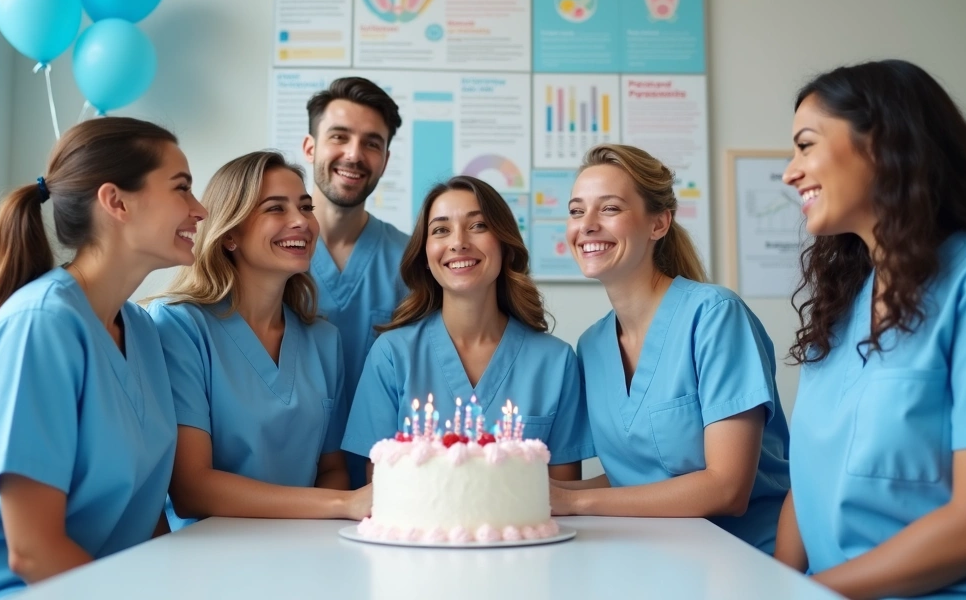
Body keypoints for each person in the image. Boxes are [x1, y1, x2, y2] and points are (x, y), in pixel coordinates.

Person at [775, 59, 966, 599]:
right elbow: (807, 486)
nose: (790, 172)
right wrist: (769, 584)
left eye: (806, 145)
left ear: (882, 142)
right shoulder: (845, 305)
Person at [0, 117, 207, 599]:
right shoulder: (39, 326)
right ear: (116, 202)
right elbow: (33, 552)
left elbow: (142, 519)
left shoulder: (141, 331)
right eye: (182, 188)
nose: (200, 209)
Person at [551, 143, 791, 555]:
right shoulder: (592, 346)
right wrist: (530, 491)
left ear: (659, 223)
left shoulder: (715, 316)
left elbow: (727, 487)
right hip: (656, 555)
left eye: (608, 209)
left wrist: (573, 501)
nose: (587, 225)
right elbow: (641, 474)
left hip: (748, 560)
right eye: (576, 211)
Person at [147, 151, 370, 527]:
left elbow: (331, 468)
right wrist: (341, 505)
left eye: (305, 206)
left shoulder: (323, 340)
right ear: (230, 233)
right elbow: (190, 489)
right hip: (208, 561)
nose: (301, 221)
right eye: (275, 209)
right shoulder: (180, 325)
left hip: (303, 549)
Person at [342, 176, 593, 481]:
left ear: (504, 244)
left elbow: (562, 495)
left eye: (478, 226)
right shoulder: (391, 355)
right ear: (424, 255)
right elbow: (381, 488)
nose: (458, 242)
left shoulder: (556, 362)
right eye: (441, 230)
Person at [303, 77, 409, 487]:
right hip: (281, 482)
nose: (354, 154)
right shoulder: (268, 254)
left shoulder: (411, 263)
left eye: (371, 143)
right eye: (339, 137)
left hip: (380, 485)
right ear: (310, 147)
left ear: (385, 159)